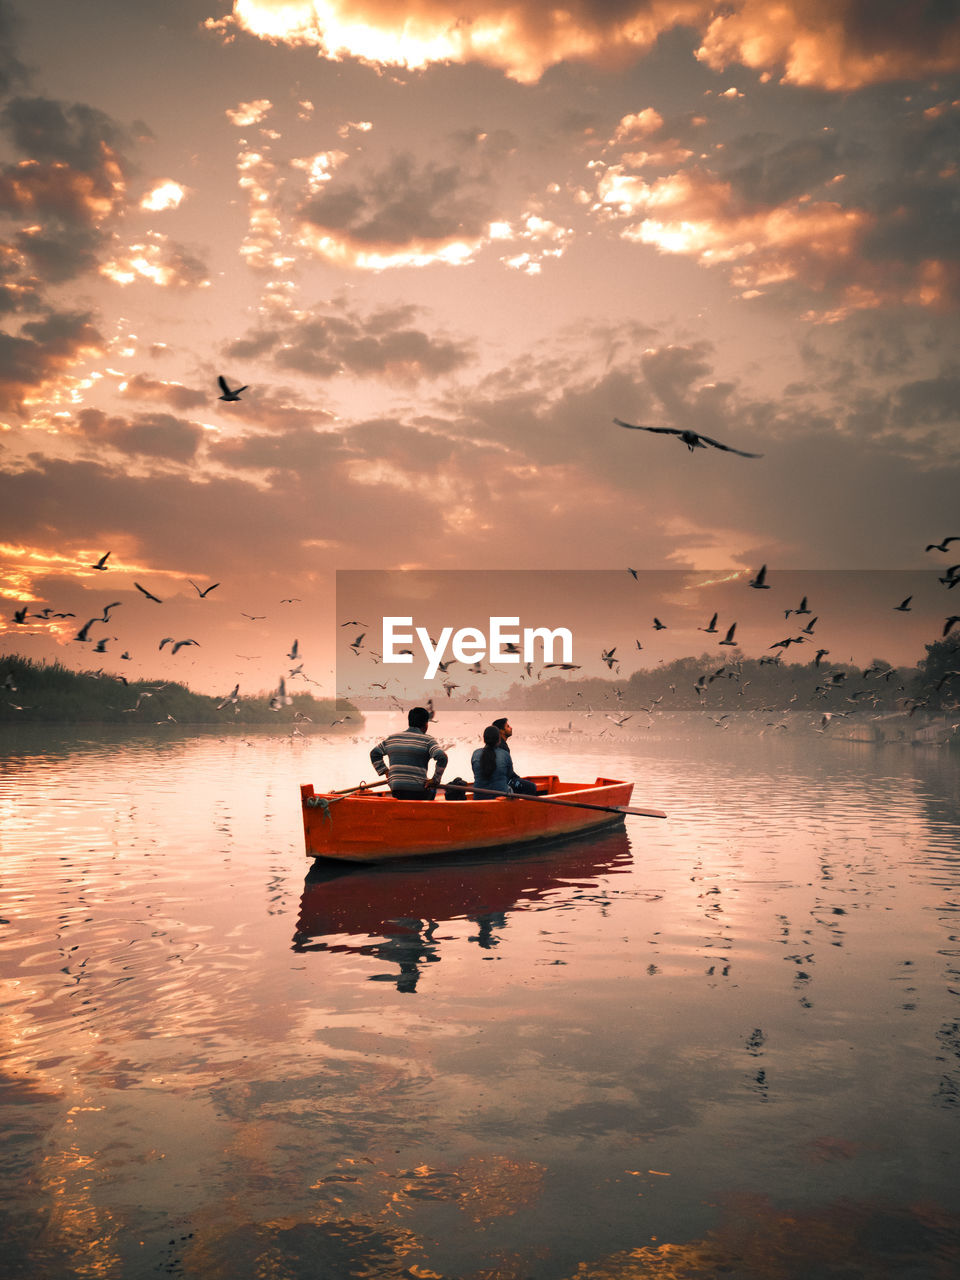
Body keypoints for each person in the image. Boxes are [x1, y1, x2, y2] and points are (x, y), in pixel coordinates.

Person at [370, 706, 447, 800]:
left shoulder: (392, 738)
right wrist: (435, 779)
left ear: (409, 722)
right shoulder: (428, 740)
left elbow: (374, 753)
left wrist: (385, 771)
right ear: (426, 724)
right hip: (418, 790)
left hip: (396, 788)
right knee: (433, 790)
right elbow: (442, 757)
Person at [491, 716, 538, 794]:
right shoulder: (502, 747)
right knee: (531, 787)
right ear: (501, 731)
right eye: (508, 726)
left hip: (499, 780)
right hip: (503, 781)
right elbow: (506, 771)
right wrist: (516, 778)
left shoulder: (497, 745)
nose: (511, 728)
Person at [470, 725, 516, 795]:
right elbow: (509, 775)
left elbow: (475, 772)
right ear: (499, 740)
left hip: (478, 796)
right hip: (501, 796)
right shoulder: (505, 754)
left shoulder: (475, 754)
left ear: (484, 739)